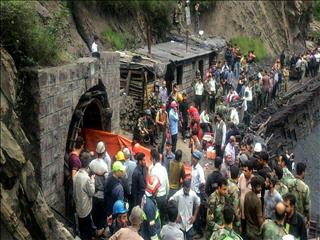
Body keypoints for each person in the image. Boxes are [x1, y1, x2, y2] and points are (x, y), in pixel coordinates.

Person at [73, 152, 97, 240]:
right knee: (87, 232)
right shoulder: (86, 178)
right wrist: (92, 180)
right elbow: (92, 192)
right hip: (85, 209)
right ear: (88, 164)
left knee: (81, 229)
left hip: (78, 207)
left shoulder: (75, 176)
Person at [89, 141, 109, 232]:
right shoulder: (104, 166)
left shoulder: (92, 163)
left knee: (95, 214)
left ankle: (95, 231)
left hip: (93, 194)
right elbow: (107, 182)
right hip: (102, 195)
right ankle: (101, 232)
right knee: (102, 216)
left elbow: (89, 176)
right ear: (104, 152)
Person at [150, 150, 169, 225]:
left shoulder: (153, 170)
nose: (151, 161)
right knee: (162, 216)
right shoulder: (164, 169)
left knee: (156, 217)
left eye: (151, 159)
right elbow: (167, 184)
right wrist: (166, 196)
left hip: (156, 198)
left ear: (154, 159)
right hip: (163, 197)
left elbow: (152, 187)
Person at [66, 136, 84, 219]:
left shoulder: (71, 154)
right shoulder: (76, 159)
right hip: (73, 188)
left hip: (70, 186)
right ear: (81, 146)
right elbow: (74, 176)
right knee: (73, 209)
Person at [140, 175, 162, 240]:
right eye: (157, 188)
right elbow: (151, 228)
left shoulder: (145, 197)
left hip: (145, 231)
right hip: (149, 236)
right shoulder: (149, 206)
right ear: (153, 190)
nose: (158, 190)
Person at [244, 176, 264, 240]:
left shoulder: (247, 195)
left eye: (260, 186)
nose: (260, 188)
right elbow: (260, 219)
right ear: (253, 187)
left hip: (248, 227)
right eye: (258, 187)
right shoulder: (257, 201)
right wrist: (263, 229)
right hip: (255, 231)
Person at [227, 165, 241, 233]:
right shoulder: (235, 189)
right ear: (238, 175)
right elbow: (236, 207)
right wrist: (238, 221)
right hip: (231, 216)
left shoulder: (226, 183)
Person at [123, 148, 137, 212]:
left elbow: (123, 179)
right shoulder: (134, 164)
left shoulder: (123, 166)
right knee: (132, 204)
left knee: (126, 204)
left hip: (125, 189)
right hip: (133, 188)